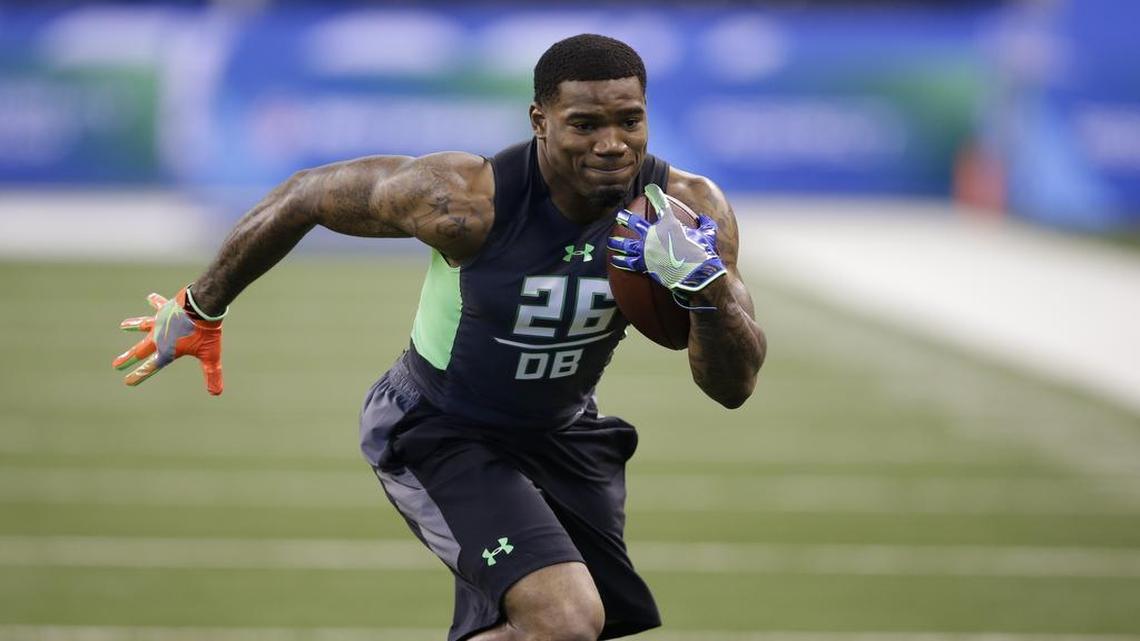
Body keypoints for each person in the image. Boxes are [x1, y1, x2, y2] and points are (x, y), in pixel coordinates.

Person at [112, 34, 765, 641]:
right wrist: (201, 306)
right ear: (539, 120)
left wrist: (704, 292)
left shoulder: (687, 211)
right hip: (443, 425)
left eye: (629, 120)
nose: (613, 144)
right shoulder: (466, 201)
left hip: (563, 431)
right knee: (564, 616)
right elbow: (308, 194)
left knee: (567, 628)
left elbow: (733, 388)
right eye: (585, 124)